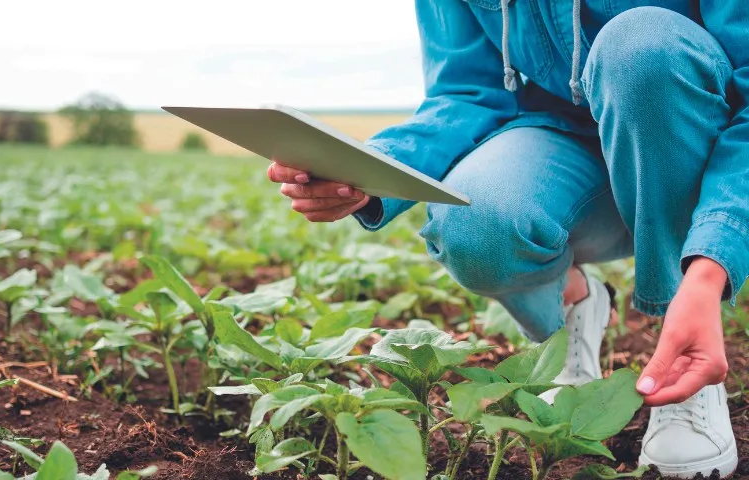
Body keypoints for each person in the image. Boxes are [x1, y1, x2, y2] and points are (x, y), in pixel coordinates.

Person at [267, 1, 746, 477]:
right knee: (474, 222)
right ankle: (570, 306)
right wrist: (366, 172)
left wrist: (707, 273)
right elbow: (465, 90)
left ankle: (687, 360)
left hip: (685, 146)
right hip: (561, 147)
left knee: (641, 47)